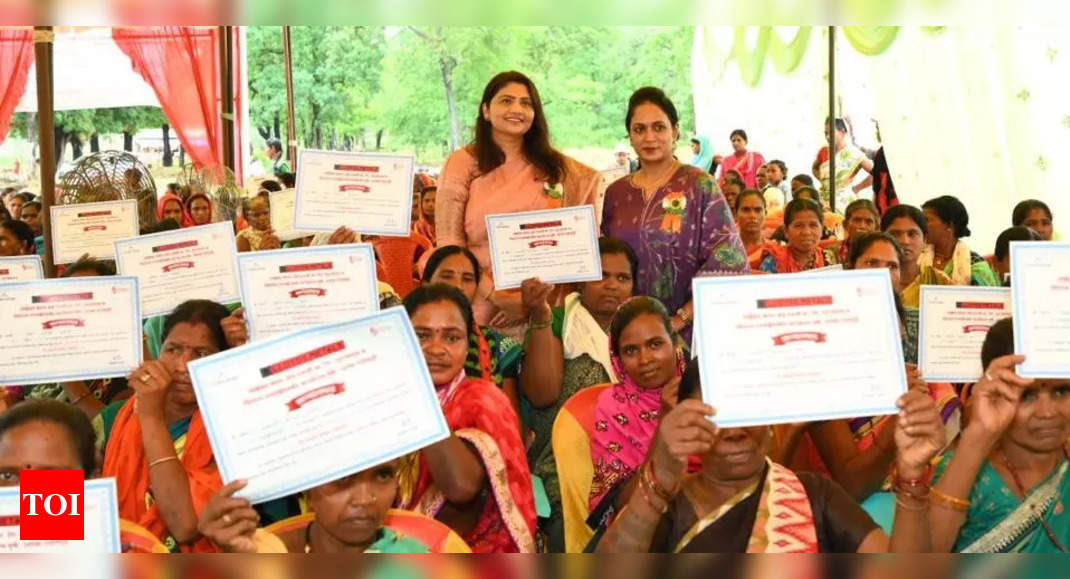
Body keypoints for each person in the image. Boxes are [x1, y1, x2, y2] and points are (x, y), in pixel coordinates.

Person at [596, 357, 944, 553]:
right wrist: (659, 480)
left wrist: (911, 478)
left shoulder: (813, 496)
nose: (734, 431)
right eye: (717, 415)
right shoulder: (669, 505)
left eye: (747, 409)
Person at [519, 236, 638, 552]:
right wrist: (541, 318)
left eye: (622, 277)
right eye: (601, 275)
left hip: (633, 465)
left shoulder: (644, 330)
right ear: (581, 283)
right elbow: (541, 395)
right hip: (561, 465)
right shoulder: (559, 320)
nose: (611, 285)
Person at [601, 87, 748, 338]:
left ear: (675, 131)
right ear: (630, 136)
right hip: (626, 334)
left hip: (686, 332)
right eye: (639, 129)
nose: (649, 137)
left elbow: (729, 261)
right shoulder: (616, 192)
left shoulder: (699, 185)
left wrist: (679, 320)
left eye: (658, 127)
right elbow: (604, 258)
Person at [400, 284, 537, 552]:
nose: (436, 349)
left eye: (452, 338)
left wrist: (420, 394)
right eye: (422, 336)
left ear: (467, 345)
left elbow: (461, 487)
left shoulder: (483, 402)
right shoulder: (383, 400)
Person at [100, 300, 233, 552]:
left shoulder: (232, 431)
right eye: (173, 349)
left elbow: (185, 526)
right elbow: (51, 526)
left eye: (202, 354)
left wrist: (150, 416)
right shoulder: (112, 418)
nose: (182, 366)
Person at [930, 318, 1070, 552]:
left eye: (1062, 391)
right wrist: (976, 440)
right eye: (1026, 395)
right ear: (992, 394)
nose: (1047, 412)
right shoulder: (967, 474)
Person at [197, 461, 438, 553]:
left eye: (383, 475)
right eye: (343, 477)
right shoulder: (261, 550)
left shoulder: (412, 558)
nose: (365, 499)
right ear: (306, 488)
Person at [588, 297, 686, 510]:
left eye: (655, 344)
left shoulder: (701, 386)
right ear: (617, 358)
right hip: (648, 525)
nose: (645, 359)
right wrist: (665, 424)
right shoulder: (612, 408)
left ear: (675, 343)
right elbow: (620, 505)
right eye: (631, 350)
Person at [420, 245, 522, 416]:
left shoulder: (497, 345)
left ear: (476, 291)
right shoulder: (404, 342)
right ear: (425, 284)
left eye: (467, 279)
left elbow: (508, 420)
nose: (458, 286)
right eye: (447, 276)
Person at [881, 204, 951, 308]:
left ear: (925, 240)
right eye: (895, 234)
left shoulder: (939, 282)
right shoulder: (873, 281)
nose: (904, 241)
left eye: (912, 234)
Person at [920, 195, 999, 286]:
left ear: (949, 225)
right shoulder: (916, 257)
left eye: (927, 220)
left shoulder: (974, 264)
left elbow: (984, 298)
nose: (922, 225)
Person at [757, 198, 838, 274]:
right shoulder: (774, 262)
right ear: (786, 231)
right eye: (798, 225)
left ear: (821, 229)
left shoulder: (829, 259)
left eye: (813, 225)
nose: (806, 232)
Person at [812, 118, 874, 211]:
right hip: (823, 201)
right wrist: (824, 181)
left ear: (842, 132)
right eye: (825, 133)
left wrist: (857, 188)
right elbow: (814, 168)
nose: (828, 137)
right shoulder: (823, 151)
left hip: (844, 203)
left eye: (831, 133)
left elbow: (876, 173)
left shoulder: (854, 153)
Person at [826, 199, 880, 264]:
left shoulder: (884, 254)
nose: (862, 226)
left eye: (869, 222)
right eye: (857, 220)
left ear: (876, 228)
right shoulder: (832, 252)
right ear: (845, 225)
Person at [733, 189, 767, 269]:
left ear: (765, 213)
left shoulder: (774, 250)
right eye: (746, 210)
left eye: (758, 210)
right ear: (735, 213)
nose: (752, 216)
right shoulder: (725, 249)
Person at [413, 174, 437, 243]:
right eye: (427, 201)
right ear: (421, 204)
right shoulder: (416, 227)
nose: (430, 205)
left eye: (434, 200)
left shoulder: (448, 227)